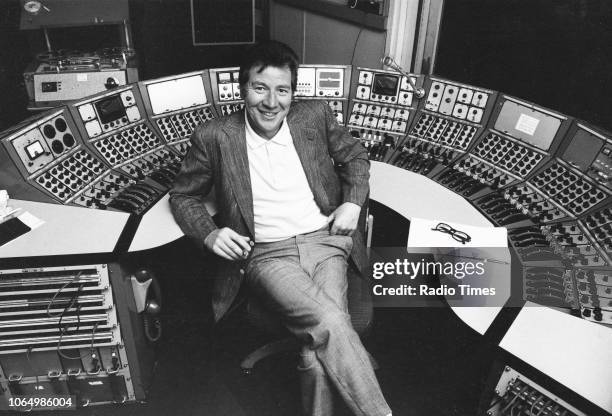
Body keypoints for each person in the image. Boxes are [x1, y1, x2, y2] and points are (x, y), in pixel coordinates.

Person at [169, 40, 391, 416]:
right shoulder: (214, 136)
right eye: (260, 88)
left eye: (282, 90)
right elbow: (182, 196)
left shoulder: (314, 116)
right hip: (269, 254)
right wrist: (210, 232)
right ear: (242, 89)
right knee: (331, 321)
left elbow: (355, 156)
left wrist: (352, 201)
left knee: (318, 341)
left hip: (327, 242)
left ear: (293, 92)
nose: (271, 102)